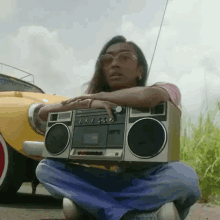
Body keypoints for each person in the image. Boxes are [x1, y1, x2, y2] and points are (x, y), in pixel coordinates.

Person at [36, 35, 201, 220]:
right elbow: (43, 112)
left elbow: (150, 96)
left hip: (153, 178)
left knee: (185, 178)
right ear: (102, 69)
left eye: (124, 57)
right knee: (46, 169)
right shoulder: (92, 101)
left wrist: (103, 96)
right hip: (116, 180)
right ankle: (140, 215)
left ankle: (93, 206)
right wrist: (87, 104)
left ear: (140, 70)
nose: (114, 64)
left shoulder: (165, 88)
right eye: (107, 60)